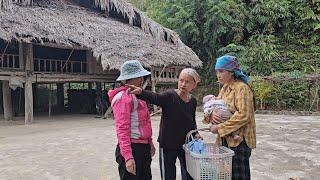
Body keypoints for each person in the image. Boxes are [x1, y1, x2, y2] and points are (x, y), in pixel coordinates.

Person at [127, 68, 200, 180]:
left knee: (189, 174)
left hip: (186, 145)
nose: (183, 84)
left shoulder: (193, 101)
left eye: (187, 82)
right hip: (168, 144)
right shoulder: (170, 96)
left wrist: (196, 133)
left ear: (194, 85)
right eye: (181, 80)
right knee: (168, 175)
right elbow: (156, 98)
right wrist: (141, 92)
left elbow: (192, 121)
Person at [209, 55, 256, 180]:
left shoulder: (242, 88)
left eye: (221, 71)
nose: (218, 75)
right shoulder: (224, 88)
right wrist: (212, 115)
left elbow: (243, 115)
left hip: (240, 141)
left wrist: (219, 127)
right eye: (217, 72)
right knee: (225, 174)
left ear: (231, 72)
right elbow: (215, 106)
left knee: (239, 175)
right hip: (225, 139)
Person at [108, 60, 155, 180]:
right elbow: (122, 128)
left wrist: (150, 143)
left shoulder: (139, 96)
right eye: (137, 77)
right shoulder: (122, 98)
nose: (141, 80)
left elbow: (145, 122)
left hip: (143, 147)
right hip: (132, 148)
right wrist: (128, 157)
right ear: (126, 80)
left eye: (141, 76)